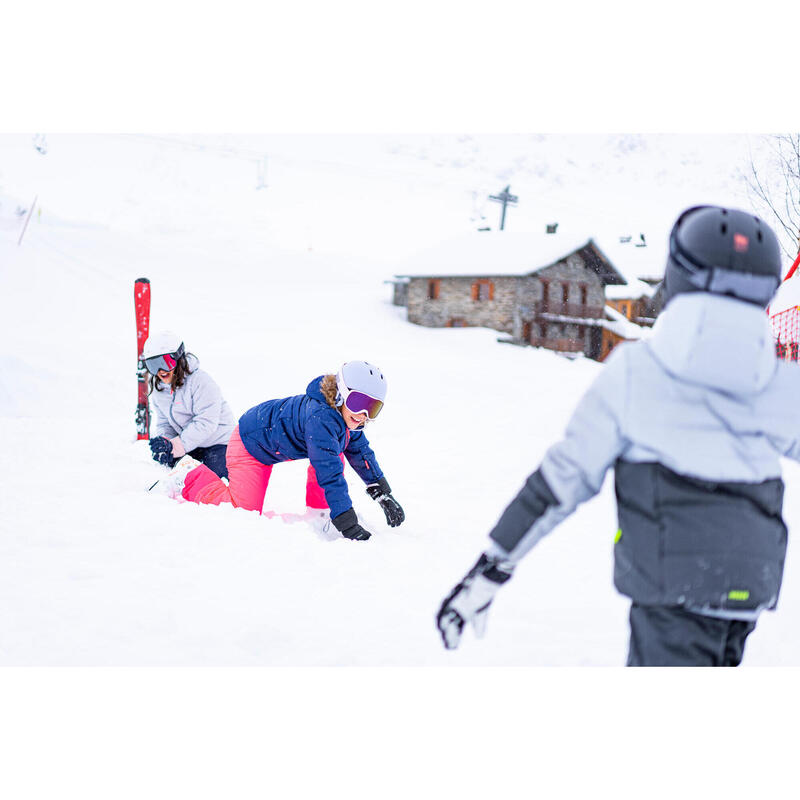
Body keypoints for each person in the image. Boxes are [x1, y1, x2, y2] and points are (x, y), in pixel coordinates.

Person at [437, 205, 800, 666]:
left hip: (672, 585)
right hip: (751, 582)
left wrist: (490, 570)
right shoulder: (782, 383)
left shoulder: (638, 372)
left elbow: (560, 481)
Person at [167, 360, 405, 542]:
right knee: (241, 511)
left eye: (372, 408)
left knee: (336, 451)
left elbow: (361, 453)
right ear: (341, 394)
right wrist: (347, 522)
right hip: (250, 444)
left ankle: (320, 514)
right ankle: (189, 476)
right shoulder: (321, 418)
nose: (363, 415)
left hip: (274, 443)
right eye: (358, 402)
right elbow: (329, 473)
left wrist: (382, 493)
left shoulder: (347, 419)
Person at [143, 331, 235, 479]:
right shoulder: (160, 391)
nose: (160, 371)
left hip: (220, 443)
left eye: (165, 363)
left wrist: (177, 446)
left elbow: (206, 422)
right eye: (153, 365)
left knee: (209, 481)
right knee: (177, 477)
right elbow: (164, 423)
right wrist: (165, 442)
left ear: (178, 358)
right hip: (191, 444)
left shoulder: (201, 382)